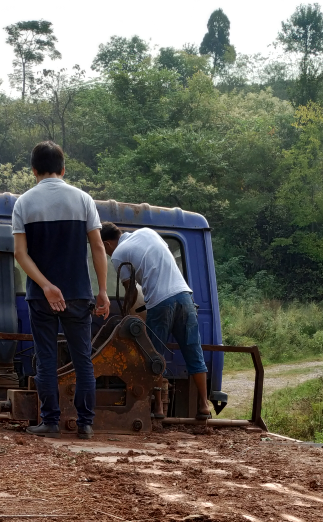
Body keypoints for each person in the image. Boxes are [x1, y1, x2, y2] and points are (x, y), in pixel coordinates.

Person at [13, 141, 110, 438]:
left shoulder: (24, 203)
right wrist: (102, 290)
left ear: (33, 171)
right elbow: (97, 245)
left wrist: (46, 286)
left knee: (45, 358)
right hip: (79, 294)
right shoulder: (83, 199)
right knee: (83, 360)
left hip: (42, 297)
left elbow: (20, 253)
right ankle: (85, 424)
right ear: (63, 169)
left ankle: (51, 422)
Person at [100, 223, 211, 422]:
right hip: (185, 297)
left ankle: (158, 407)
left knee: (154, 358)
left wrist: (125, 315)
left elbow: (131, 291)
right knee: (194, 353)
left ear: (108, 244)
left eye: (104, 250)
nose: (107, 255)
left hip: (161, 303)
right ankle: (203, 406)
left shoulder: (118, 254)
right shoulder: (147, 232)